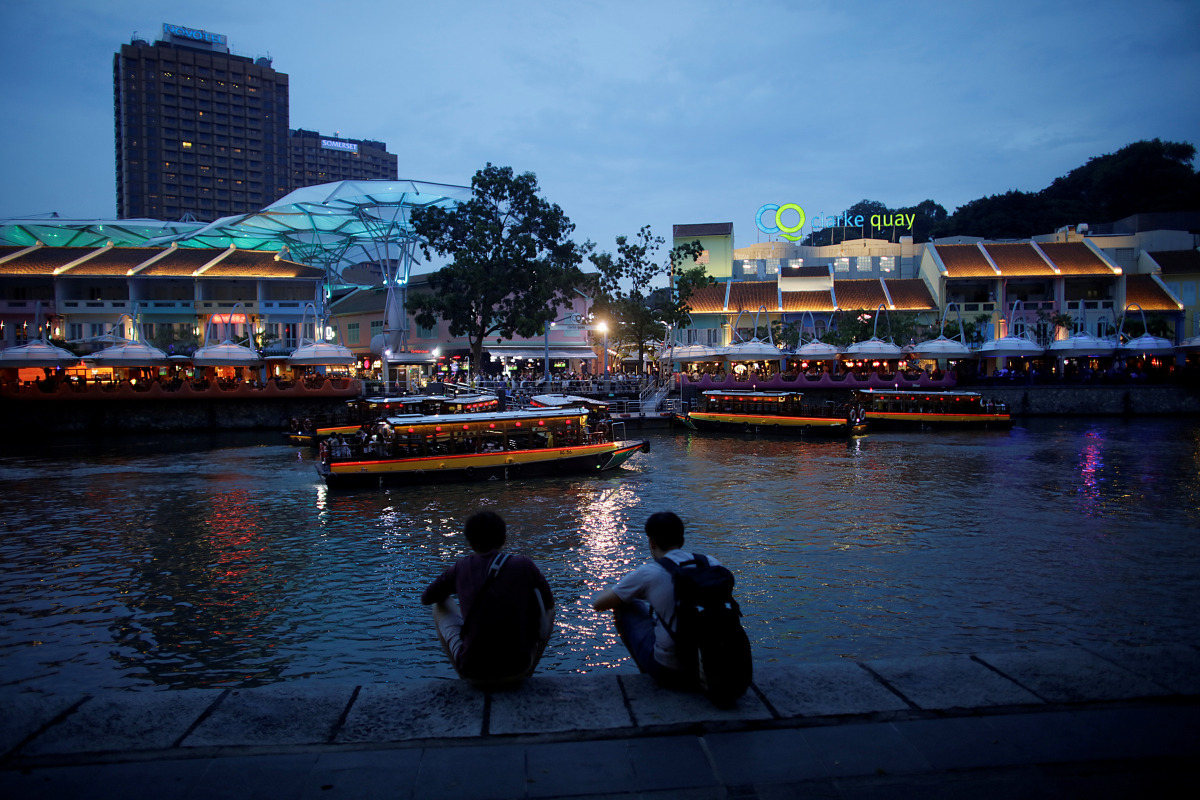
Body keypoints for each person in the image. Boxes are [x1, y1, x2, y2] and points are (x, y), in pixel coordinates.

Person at [422, 511, 555, 685]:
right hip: (518, 668)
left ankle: (463, 673)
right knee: (550, 610)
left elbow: (427, 598)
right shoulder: (524, 564)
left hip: (474, 672)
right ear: (503, 539)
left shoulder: (461, 566)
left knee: (440, 604)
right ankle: (528, 671)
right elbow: (549, 605)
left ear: (470, 542)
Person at [591, 511, 719, 687]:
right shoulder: (711, 564)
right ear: (682, 541)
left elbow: (599, 605)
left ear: (651, 542)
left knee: (624, 605)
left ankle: (647, 674)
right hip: (716, 664)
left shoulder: (650, 572)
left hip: (671, 670)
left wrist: (616, 590)